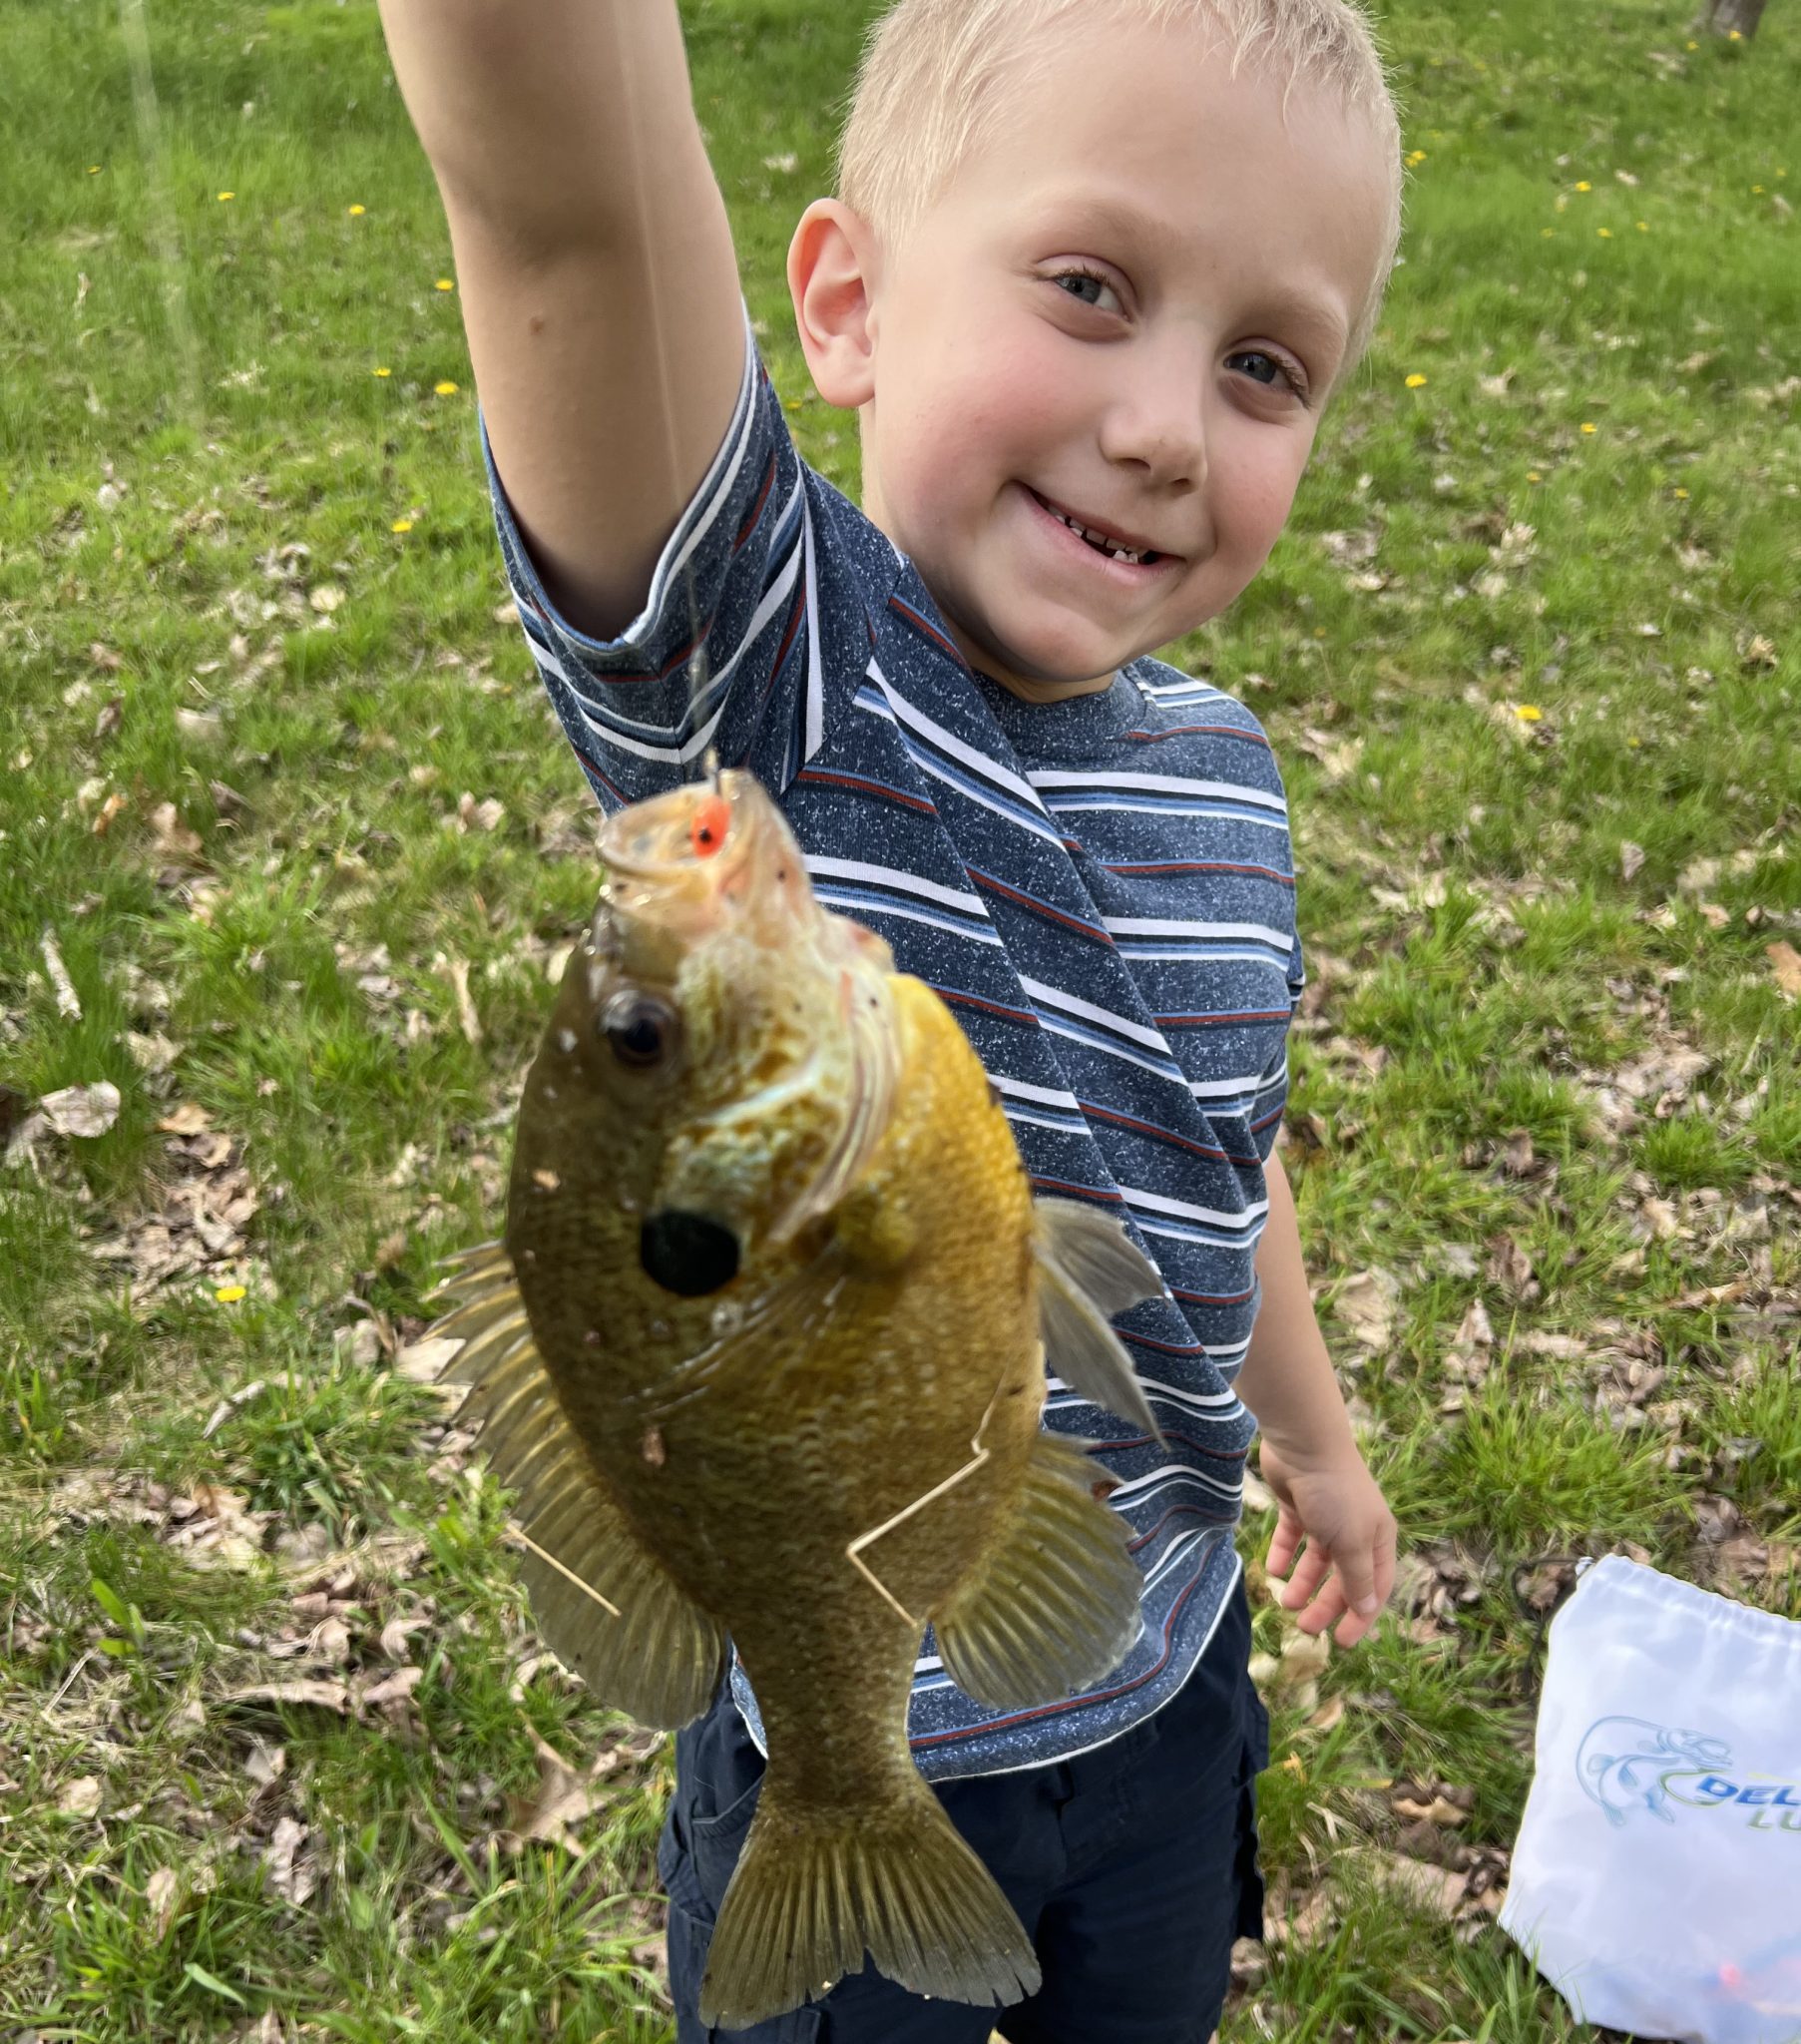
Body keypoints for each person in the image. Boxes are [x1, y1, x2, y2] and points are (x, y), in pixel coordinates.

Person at [375, 1, 1403, 2036]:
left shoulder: (1226, 780)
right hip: (855, 1728)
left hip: (1167, 1678)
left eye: (1265, 363)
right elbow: (563, 206)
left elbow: (1218, 1149)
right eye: (1091, 287)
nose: (1170, 426)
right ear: (843, 306)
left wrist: (1315, 1435)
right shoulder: (776, 682)